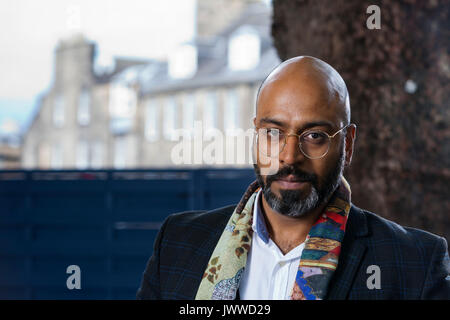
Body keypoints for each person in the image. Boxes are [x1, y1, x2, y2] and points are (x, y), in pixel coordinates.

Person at [136, 56, 450, 300]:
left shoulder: (415, 263)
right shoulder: (178, 242)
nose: (289, 156)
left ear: (348, 144)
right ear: (255, 134)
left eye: (314, 135)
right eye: (273, 132)